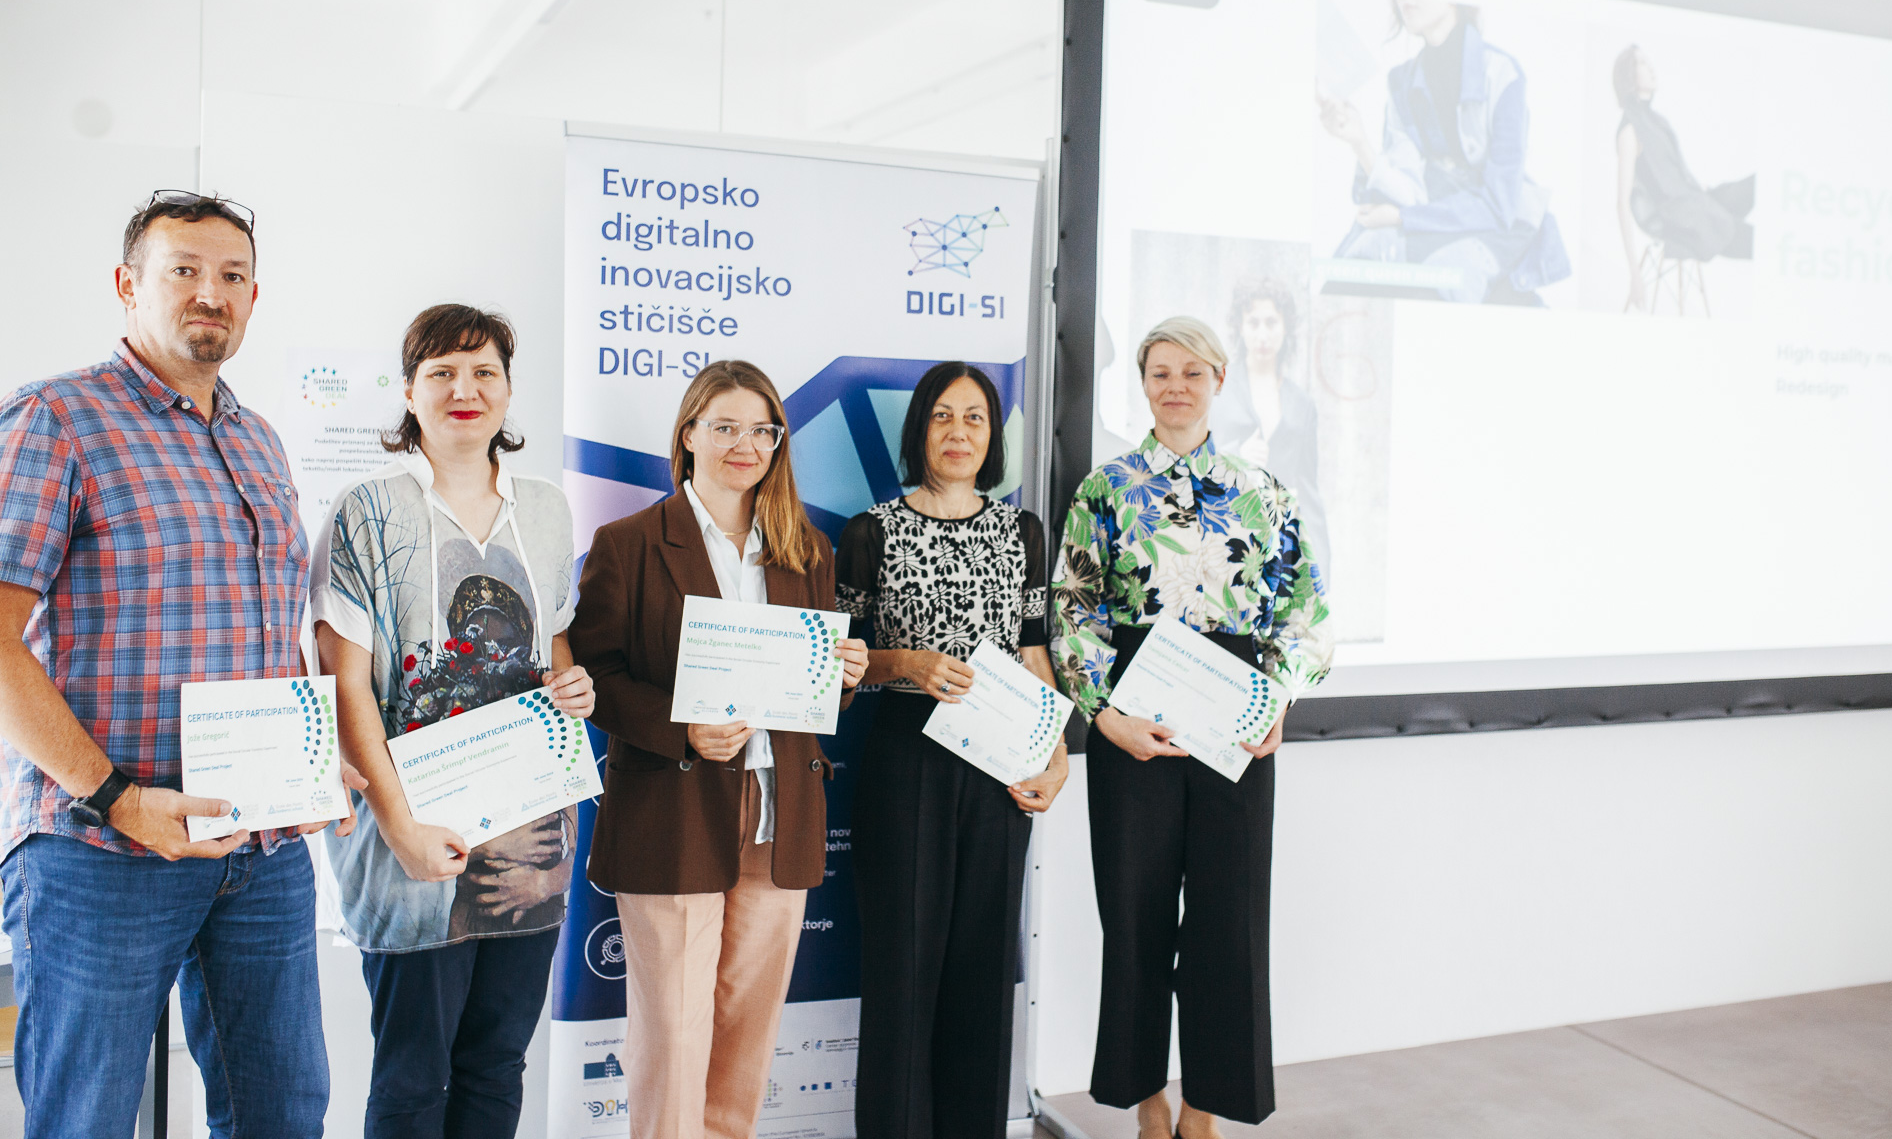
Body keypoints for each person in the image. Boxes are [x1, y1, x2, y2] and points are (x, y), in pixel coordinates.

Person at [0, 191, 362, 1138]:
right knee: (87, 1118)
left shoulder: (259, 439)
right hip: (100, 851)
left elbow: (267, 627)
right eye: (185, 271)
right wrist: (117, 796)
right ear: (128, 286)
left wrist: (313, 756)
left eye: (233, 276)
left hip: (262, 849)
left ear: (253, 298)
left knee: (283, 1112)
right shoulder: (56, 419)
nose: (213, 292)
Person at [311, 303, 595, 1137]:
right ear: (409, 391)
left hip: (530, 836)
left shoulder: (546, 508)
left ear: (509, 391)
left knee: (497, 1062)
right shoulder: (368, 509)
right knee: (411, 1076)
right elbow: (347, 683)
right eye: (442, 372)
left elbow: (556, 645)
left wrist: (574, 686)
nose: (464, 389)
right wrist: (398, 828)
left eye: (484, 372)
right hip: (414, 842)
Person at [570, 359, 869, 1139]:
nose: (746, 443)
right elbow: (594, 676)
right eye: (725, 426)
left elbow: (807, 696)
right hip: (673, 808)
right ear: (689, 434)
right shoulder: (630, 542)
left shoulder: (806, 549)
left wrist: (843, 675)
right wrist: (683, 728)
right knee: (672, 1032)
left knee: (747, 1030)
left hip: (779, 810)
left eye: (762, 429)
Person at [1051, 317, 1332, 1139]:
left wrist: (1278, 698)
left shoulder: (1263, 490)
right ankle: (1148, 1103)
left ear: (1218, 380)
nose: (1174, 386)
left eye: (1192, 372)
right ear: (1141, 383)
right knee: (1134, 917)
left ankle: (1203, 1108)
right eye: (1159, 372)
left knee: (1227, 923)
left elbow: (1306, 612)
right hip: (1133, 725)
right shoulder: (1104, 491)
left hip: (1233, 732)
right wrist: (1105, 715)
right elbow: (1071, 607)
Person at [836, 362, 1070, 1139]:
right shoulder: (870, 531)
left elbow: (1035, 649)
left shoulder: (1021, 531)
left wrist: (1058, 754)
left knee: (982, 973)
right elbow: (838, 664)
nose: (959, 432)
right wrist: (906, 664)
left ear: (992, 435)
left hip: (1002, 759)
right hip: (906, 759)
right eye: (943, 417)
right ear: (920, 432)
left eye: (975, 418)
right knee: (905, 973)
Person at [1319, 0, 1570, 306]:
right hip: (1428, 215)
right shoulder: (1401, 81)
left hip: (1494, 223)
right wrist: (1360, 143)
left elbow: (1498, 204)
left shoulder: (1502, 73)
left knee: (1442, 275)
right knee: (1359, 261)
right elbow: (1408, 191)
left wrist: (1403, 217)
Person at [1612, 44, 1755, 311]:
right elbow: (1622, 203)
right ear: (1629, 78)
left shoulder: (1657, 121)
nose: (1651, 67)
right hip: (1677, 219)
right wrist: (1634, 274)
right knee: (1752, 239)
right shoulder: (1629, 131)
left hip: (1694, 200)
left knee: (1751, 187)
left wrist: (1703, 189)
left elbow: (1676, 174)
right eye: (1642, 63)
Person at [1210, 282, 1331, 587]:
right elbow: (1195, 458)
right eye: (1254, 323)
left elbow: (1308, 485)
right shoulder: (1218, 387)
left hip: (1282, 541)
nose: (1262, 334)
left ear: (1286, 326)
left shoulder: (1302, 403)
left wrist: (1321, 566)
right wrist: (1234, 453)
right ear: (1240, 326)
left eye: (1271, 323)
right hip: (1227, 532)